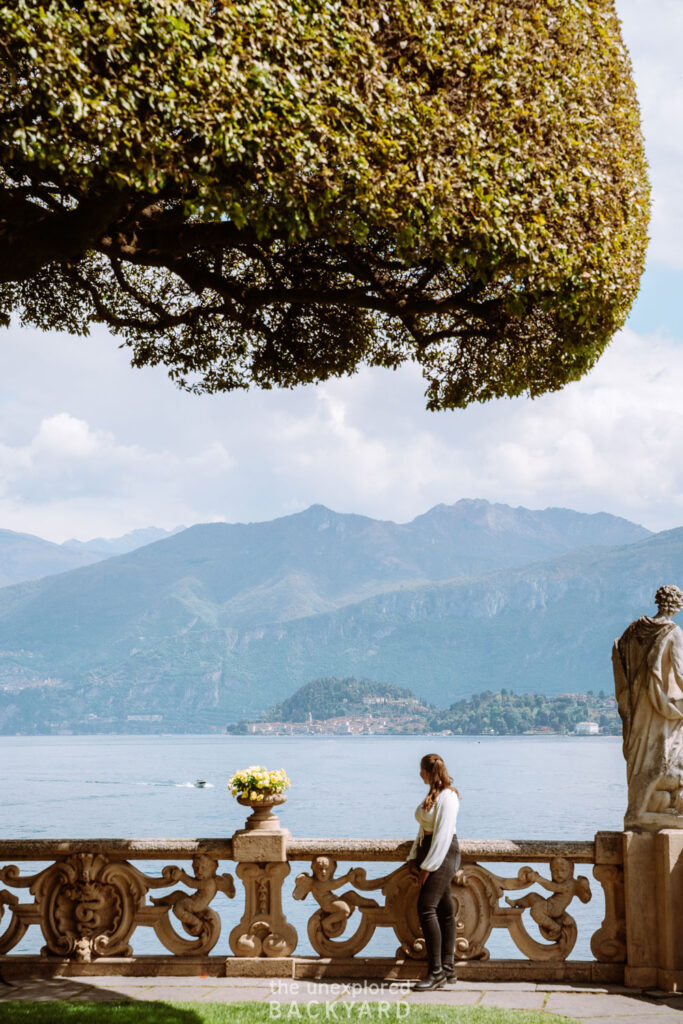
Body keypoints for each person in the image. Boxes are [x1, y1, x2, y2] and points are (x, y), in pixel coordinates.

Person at [612, 584, 683, 830]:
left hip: (637, 711)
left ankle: (643, 809)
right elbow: (681, 673)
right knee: (661, 755)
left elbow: (620, 660)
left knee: (641, 758)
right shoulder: (673, 632)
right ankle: (643, 813)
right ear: (677, 605)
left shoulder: (632, 631)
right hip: (660, 712)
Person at [406, 752, 461, 991]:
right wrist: (412, 856)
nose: (419, 774)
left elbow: (443, 835)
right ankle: (448, 970)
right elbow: (424, 830)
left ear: (429, 771)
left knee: (426, 908)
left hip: (443, 854)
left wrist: (427, 868)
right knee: (445, 911)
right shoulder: (433, 795)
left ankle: (436, 972)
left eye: (421, 770)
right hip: (430, 852)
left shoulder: (449, 797)